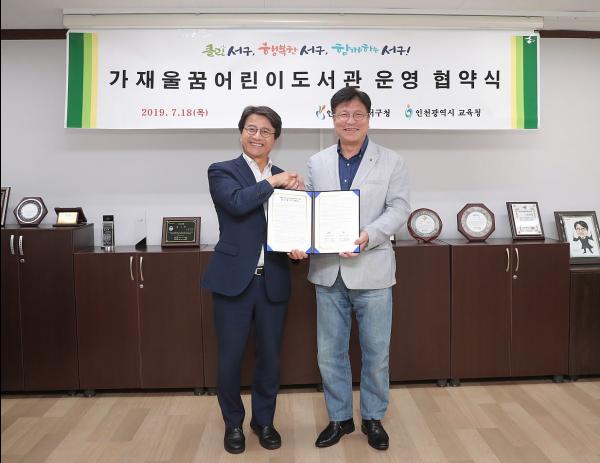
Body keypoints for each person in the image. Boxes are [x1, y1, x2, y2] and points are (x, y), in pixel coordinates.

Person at [306, 87, 410, 451]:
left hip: (373, 269)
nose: (350, 121)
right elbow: (310, 211)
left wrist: (369, 236)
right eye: (343, 114)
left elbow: (399, 208)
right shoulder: (317, 162)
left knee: (376, 353)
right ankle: (339, 418)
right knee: (329, 353)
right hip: (328, 271)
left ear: (368, 118)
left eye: (357, 114)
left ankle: (372, 418)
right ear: (332, 118)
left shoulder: (392, 161)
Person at [201, 106, 306, 454]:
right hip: (233, 282)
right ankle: (233, 423)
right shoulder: (222, 171)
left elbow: (294, 227)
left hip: (273, 280)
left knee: (270, 359)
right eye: (251, 129)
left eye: (265, 131)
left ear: (275, 138)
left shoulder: (286, 179)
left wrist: (299, 248)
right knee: (230, 359)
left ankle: (264, 421)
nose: (257, 136)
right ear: (241, 132)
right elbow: (236, 203)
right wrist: (273, 182)